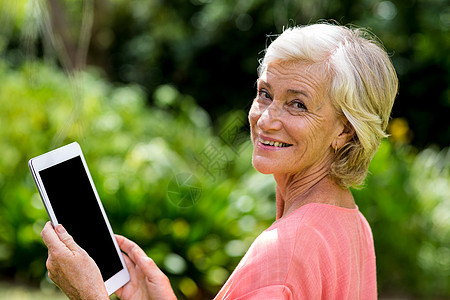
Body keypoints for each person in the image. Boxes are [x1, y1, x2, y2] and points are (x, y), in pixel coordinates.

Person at [41, 22, 398, 299]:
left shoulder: (284, 253)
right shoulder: (352, 223)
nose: (266, 118)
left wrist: (88, 293)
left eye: (297, 103)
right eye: (265, 93)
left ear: (346, 132)